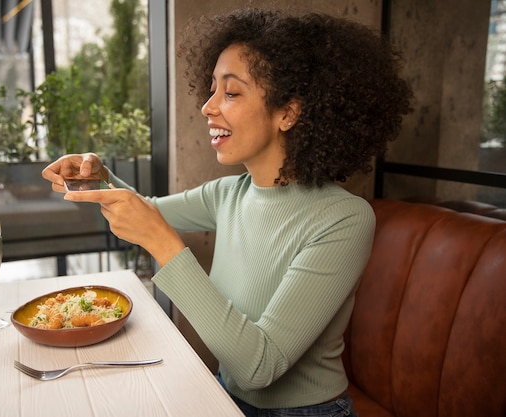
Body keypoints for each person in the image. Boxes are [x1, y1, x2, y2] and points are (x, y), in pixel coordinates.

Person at [42, 8, 412, 417]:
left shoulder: (344, 219)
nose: (207, 107)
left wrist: (163, 244)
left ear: (288, 113)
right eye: (212, 89)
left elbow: (260, 367)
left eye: (231, 93)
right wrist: (97, 176)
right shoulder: (230, 194)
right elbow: (146, 212)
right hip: (224, 395)